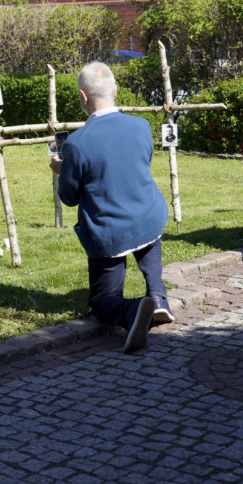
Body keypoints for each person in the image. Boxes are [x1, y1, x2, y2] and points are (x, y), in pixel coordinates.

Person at [50, 62, 172, 354]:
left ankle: (133, 312)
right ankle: (158, 295)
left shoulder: (76, 144)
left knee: (103, 303)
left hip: (110, 231)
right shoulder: (142, 126)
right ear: (115, 91)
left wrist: (62, 170)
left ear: (83, 97)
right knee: (146, 234)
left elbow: (69, 197)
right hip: (149, 215)